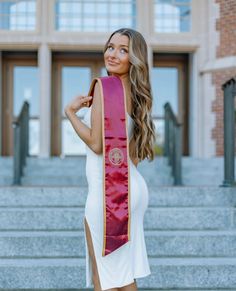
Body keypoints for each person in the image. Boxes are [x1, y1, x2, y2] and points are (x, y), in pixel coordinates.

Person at [64, 28, 156, 291]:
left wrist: (70, 113)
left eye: (123, 50)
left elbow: (96, 144)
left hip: (109, 192)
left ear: (133, 58)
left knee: (104, 281)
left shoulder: (106, 87)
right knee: (123, 278)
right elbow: (134, 157)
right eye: (110, 47)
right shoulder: (136, 95)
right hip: (131, 187)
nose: (113, 54)